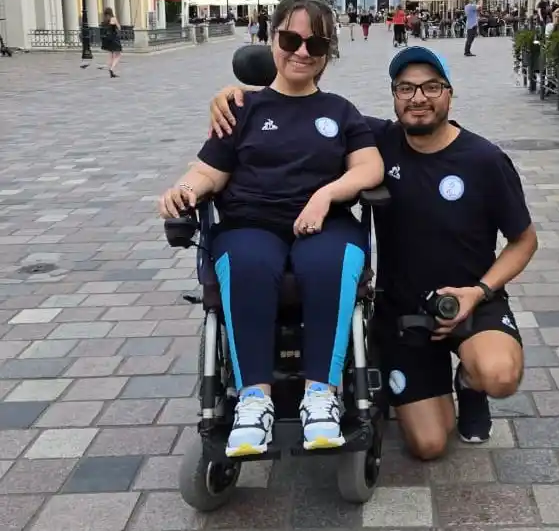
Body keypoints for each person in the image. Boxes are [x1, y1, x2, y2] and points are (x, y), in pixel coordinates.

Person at [209, 47, 538, 460]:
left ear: (450, 93)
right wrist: (236, 99)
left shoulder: (484, 159)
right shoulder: (377, 140)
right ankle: (413, 370)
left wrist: (480, 291)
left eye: (431, 87)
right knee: (429, 445)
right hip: (402, 311)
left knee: (499, 375)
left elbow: (524, 241)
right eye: (406, 88)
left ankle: (470, 388)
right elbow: (301, 109)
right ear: (395, 95)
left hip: (470, 301)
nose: (418, 98)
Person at [159, 0, 384, 458]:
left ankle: (321, 394)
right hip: (250, 223)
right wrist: (184, 190)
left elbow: (369, 168)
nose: (302, 51)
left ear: (328, 53)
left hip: (324, 224)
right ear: (272, 38)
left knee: (330, 261)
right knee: (246, 261)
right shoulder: (240, 108)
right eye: (290, 38)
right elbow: (208, 171)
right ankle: (253, 401)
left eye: (315, 44)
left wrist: (325, 194)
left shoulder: (340, 110)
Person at [100, 7, 122, 77]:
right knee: (118, 55)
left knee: (110, 55)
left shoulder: (104, 21)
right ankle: (112, 69)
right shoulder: (113, 19)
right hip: (114, 39)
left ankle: (110, 69)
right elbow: (119, 27)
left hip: (107, 40)